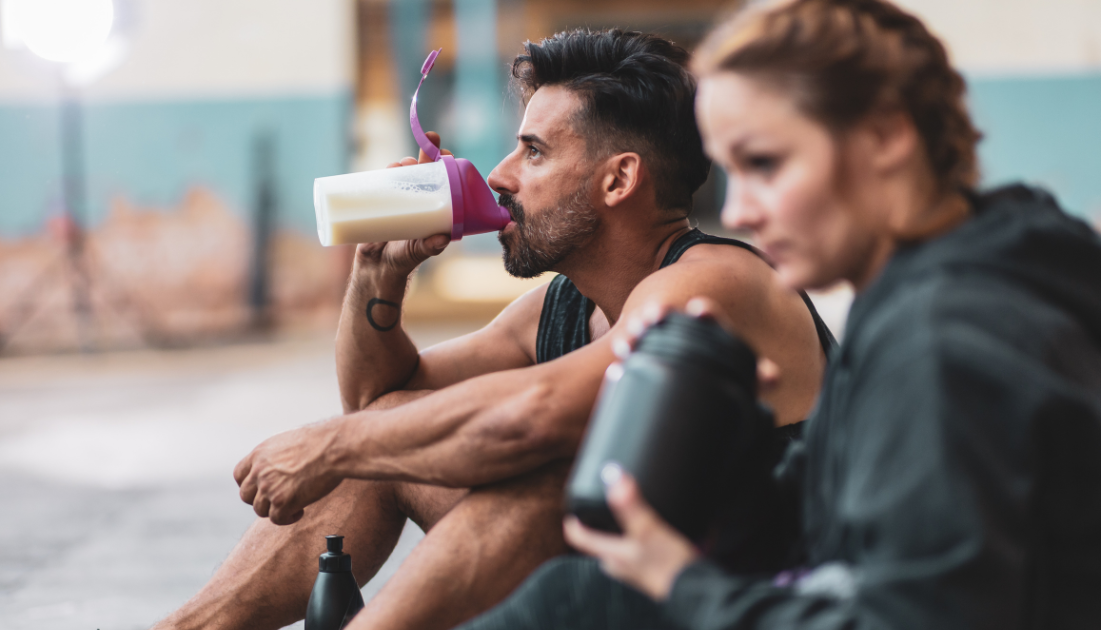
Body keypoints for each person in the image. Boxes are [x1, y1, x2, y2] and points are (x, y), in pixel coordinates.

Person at [153, 30, 834, 630]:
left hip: (745, 599)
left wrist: (331, 444)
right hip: (622, 578)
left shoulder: (715, 281)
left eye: (533, 153)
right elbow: (380, 402)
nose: (502, 175)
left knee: (536, 481)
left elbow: (533, 420)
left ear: (619, 179)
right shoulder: (562, 306)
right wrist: (377, 277)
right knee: (387, 438)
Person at [452, 1, 1101, 629]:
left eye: (765, 164)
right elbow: (836, 526)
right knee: (585, 591)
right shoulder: (938, 280)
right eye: (734, 174)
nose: (739, 214)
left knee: (585, 601)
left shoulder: (944, 336)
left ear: (885, 138)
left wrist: (685, 586)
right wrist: (730, 438)